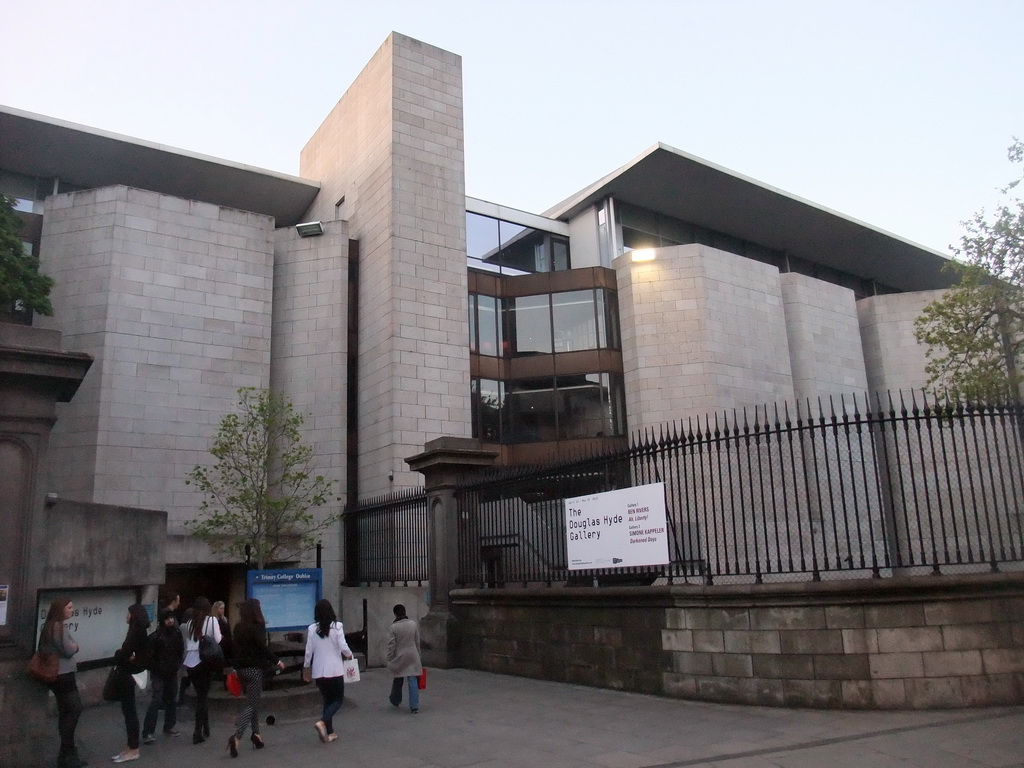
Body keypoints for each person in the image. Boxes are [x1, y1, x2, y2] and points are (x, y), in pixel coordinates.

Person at [227, 598, 284, 757]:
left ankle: (257, 735)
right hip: (254, 670)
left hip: (241, 670)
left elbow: (235, 648)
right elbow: (262, 648)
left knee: (254, 701)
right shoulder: (258, 627)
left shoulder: (238, 627)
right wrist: (277, 661)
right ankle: (237, 736)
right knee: (252, 705)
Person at [39, 598, 85, 768]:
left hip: (57, 675)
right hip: (63, 675)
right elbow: (68, 649)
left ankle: (67, 754)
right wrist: (76, 646)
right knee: (74, 709)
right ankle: (67, 752)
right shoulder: (59, 627)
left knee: (66, 711)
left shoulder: (49, 626)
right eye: (69, 607)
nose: (72, 610)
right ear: (61, 609)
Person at [303, 599, 353, 744]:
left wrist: (306, 666)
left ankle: (329, 733)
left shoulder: (312, 629)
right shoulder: (337, 627)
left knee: (327, 700)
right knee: (338, 699)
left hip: (319, 671)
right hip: (335, 670)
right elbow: (343, 646)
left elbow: (308, 651)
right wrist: (349, 655)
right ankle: (323, 722)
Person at [111, 603, 151, 763]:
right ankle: (130, 746)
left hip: (129, 674)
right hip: (130, 672)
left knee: (130, 711)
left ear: (134, 615)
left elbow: (124, 653)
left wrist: (120, 654)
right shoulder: (138, 631)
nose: (126, 616)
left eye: (128, 613)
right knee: (128, 711)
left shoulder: (136, 632)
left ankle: (133, 748)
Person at [182, 597, 221, 744]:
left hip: (190, 662)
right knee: (202, 698)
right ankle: (197, 732)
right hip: (204, 662)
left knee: (201, 695)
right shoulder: (212, 621)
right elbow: (217, 640)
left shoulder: (189, 624)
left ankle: (206, 727)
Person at [141, 608, 184, 743]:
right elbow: (149, 657)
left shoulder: (176, 634)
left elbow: (180, 651)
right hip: (159, 673)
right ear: (162, 621)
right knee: (157, 700)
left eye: (171, 618)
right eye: (167, 618)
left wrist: (176, 665)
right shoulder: (155, 637)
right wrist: (156, 667)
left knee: (171, 698)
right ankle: (148, 731)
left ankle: (169, 726)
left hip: (171, 672)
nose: (170, 621)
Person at [386, 604, 422, 713]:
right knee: (412, 680)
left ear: (395, 613)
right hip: (412, 654)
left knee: (398, 677)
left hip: (400, 655)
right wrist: (419, 655)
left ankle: (395, 699)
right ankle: (414, 705)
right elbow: (417, 641)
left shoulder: (394, 627)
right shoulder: (413, 624)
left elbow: (392, 644)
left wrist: (390, 656)